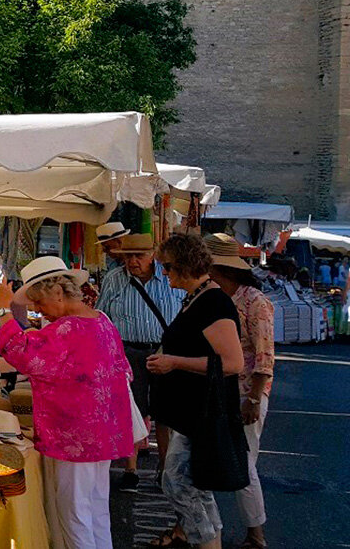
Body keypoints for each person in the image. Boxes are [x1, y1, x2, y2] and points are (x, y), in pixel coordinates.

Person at [0, 256, 132, 549]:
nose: (40, 312)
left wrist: (4, 309)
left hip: (74, 435)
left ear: (57, 293)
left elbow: (24, 354)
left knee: (74, 515)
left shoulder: (67, 330)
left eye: (39, 304)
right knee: (95, 509)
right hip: (102, 432)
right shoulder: (102, 321)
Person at [147, 233, 245, 549]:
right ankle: (208, 542)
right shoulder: (198, 297)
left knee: (180, 482)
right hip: (193, 413)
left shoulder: (213, 302)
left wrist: (174, 361)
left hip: (203, 413)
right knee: (185, 484)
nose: (164, 273)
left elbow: (232, 363)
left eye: (168, 267)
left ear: (185, 266)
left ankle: (208, 543)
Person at [95, 232, 182, 491]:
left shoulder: (169, 279)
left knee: (165, 413)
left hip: (163, 351)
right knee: (130, 411)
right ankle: (130, 469)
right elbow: (102, 318)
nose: (133, 261)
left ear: (152, 255)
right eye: (128, 256)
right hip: (127, 352)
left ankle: (164, 468)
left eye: (139, 256)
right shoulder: (114, 280)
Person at [205, 233, 273, 549]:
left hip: (246, 391)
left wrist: (254, 398)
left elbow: (265, 355)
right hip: (218, 389)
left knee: (243, 464)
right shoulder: (215, 297)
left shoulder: (254, 301)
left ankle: (256, 534)